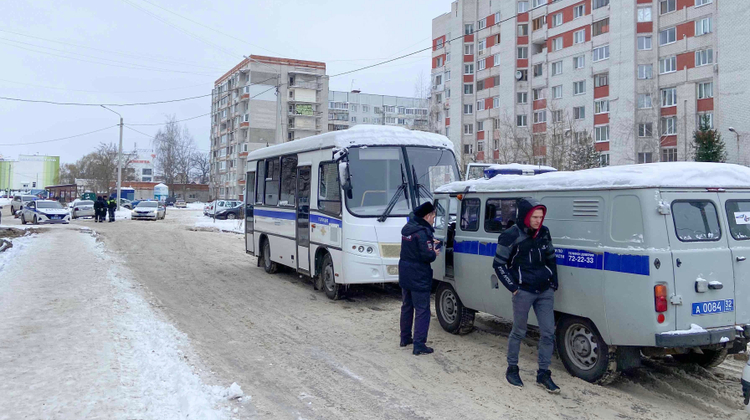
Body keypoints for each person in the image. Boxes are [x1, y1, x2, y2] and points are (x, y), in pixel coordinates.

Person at [492, 198, 560, 393]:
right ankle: (512, 368)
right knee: (519, 331)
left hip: (544, 290)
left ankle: (543, 374)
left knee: (548, 332)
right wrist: (513, 287)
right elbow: (498, 264)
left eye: (541, 217)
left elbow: (551, 257)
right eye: (535, 217)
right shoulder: (510, 235)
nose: (539, 221)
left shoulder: (544, 232)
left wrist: (554, 281)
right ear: (525, 216)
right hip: (523, 291)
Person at [399, 201, 440, 356]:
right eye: (433, 217)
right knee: (422, 310)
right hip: (419, 275)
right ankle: (419, 344)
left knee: (407, 306)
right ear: (427, 216)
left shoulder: (409, 229)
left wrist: (429, 242)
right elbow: (427, 255)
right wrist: (433, 252)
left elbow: (416, 246)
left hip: (405, 272)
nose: (433, 220)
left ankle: (405, 338)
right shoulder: (422, 232)